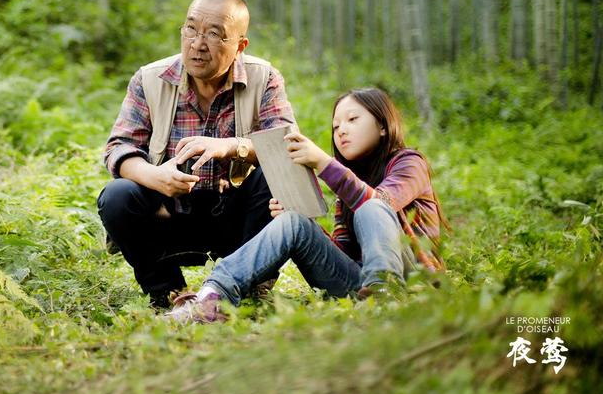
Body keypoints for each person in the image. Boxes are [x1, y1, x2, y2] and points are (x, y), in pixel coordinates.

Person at [166, 87, 448, 323]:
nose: (341, 131)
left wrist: (324, 163)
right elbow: (343, 254)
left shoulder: (409, 163)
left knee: (372, 207)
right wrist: (303, 226)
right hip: (360, 290)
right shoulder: (350, 186)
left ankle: (386, 297)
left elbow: (381, 203)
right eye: (336, 126)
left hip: (412, 283)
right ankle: (212, 298)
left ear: (383, 126)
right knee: (293, 223)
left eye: (352, 119)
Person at [98, 0, 296, 309]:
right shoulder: (150, 79)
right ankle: (168, 292)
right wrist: (155, 176)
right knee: (117, 196)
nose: (197, 44)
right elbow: (118, 149)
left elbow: (286, 146)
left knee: (273, 180)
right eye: (191, 29)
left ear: (240, 45)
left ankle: (245, 288)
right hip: (170, 216)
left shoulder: (264, 79)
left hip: (236, 221)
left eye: (214, 34)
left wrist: (230, 147)